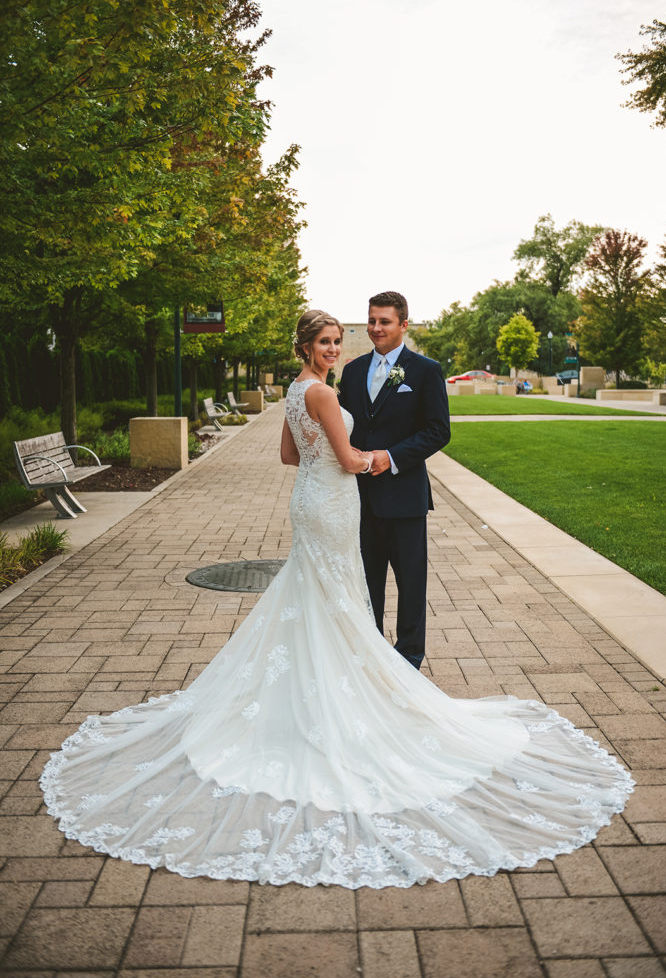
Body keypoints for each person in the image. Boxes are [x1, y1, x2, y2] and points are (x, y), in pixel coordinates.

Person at [40, 309, 633, 889]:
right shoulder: (326, 391)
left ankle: (343, 680)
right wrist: (364, 460)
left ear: (399, 325)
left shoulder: (302, 392)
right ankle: (355, 692)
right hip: (336, 500)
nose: (335, 348)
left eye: (335, 340)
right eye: (325, 341)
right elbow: (348, 458)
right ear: (307, 347)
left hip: (312, 499)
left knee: (320, 595)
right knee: (339, 596)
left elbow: (289, 456)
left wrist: (344, 461)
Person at [337, 291, 451, 669]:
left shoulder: (425, 371)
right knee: (366, 587)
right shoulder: (352, 372)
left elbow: (438, 431)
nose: (375, 328)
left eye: (384, 321)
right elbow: (346, 428)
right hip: (360, 499)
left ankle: (408, 662)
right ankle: (370, 659)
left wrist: (392, 457)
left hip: (405, 499)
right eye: (371, 320)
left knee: (411, 587)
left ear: (403, 324)